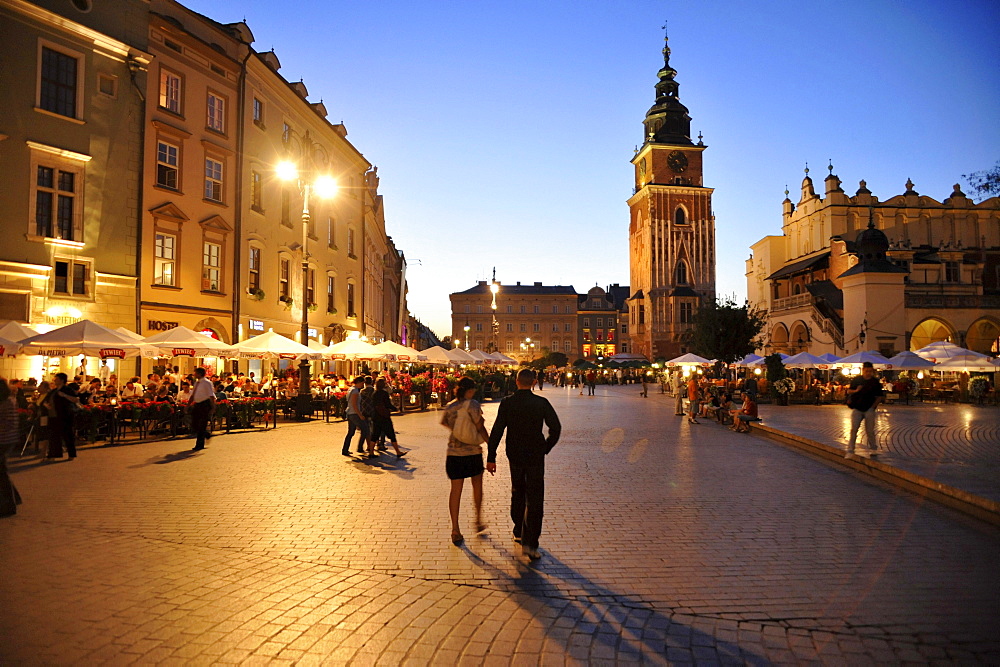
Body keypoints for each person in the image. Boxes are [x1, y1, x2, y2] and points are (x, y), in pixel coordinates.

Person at [486, 369, 561, 560]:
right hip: (535, 453)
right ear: (534, 382)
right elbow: (556, 427)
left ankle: (518, 529)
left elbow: (497, 430)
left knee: (517, 490)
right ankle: (531, 543)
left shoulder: (507, 402)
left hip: (515, 453)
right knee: (535, 497)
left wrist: (491, 456)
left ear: (516, 381)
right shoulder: (541, 403)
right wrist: (546, 446)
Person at [442, 377, 490, 546]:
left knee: (455, 491)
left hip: (453, 454)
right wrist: (490, 443)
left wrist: (460, 432)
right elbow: (480, 426)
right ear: (469, 391)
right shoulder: (473, 404)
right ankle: (477, 520)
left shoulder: (450, 406)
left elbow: (445, 423)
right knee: (477, 486)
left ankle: (455, 529)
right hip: (472, 453)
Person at [845, 361, 884, 458]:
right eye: (866, 371)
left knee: (870, 430)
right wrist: (856, 391)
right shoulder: (857, 380)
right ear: (863, 370)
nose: (868, 373)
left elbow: (879, 396)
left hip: (869, 409)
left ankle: (873, 448)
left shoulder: (875, 382)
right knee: (854, 429)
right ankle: (850, 449)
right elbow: (849, 391)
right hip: (857, 408)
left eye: (870, 371)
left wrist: (873, 407)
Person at [0, 379, 24, 517]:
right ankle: (14, 498)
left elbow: (5, 424)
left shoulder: (4, 403)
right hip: (8, 440)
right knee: (2, 470)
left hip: (3, 440)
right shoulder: (9, 401)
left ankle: (9, 504)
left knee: (1, 473)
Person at [370, 378, 406, 459]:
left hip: (376, 416)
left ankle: (371, 452)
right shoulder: (384, 393)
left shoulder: (374, 394)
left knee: (375, 434)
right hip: (384, 417)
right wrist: (396, 408)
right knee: (391, 435)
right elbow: (388, 404)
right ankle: (398, 451)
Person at [49, 372, 80, 460]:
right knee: (55, 435)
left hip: (66, 415)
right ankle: (54, 454)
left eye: (56, 379)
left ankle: (71, 454)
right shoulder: (54, 391)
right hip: (55, 415)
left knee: (68, 435)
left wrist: (65, 396)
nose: (54, 380)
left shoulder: (67, 389)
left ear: (62, 380)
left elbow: (75, 399)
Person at [341, 376, 374, 456]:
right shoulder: (355, 391)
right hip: (354, 413)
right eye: (362, 383)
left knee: (351, 432)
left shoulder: (350, 389)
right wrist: (360, 415)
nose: (363, 385)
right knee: (365, 429)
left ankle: (345, 449)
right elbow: (354, 404)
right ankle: (360, 447)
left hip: (350, 412)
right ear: (359, 382)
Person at [189, 367, 216, 451]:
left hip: (205, 404)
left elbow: (211, 395)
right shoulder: (197, 383)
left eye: (195, 373)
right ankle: (206, 434)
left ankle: (199, 444)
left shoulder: (206, 383)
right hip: (197, 404)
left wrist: (213, 406)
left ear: (200, 374)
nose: (194, 374)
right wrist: (188, 405)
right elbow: (193, 395)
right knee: (194, 423)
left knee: (202, 424)